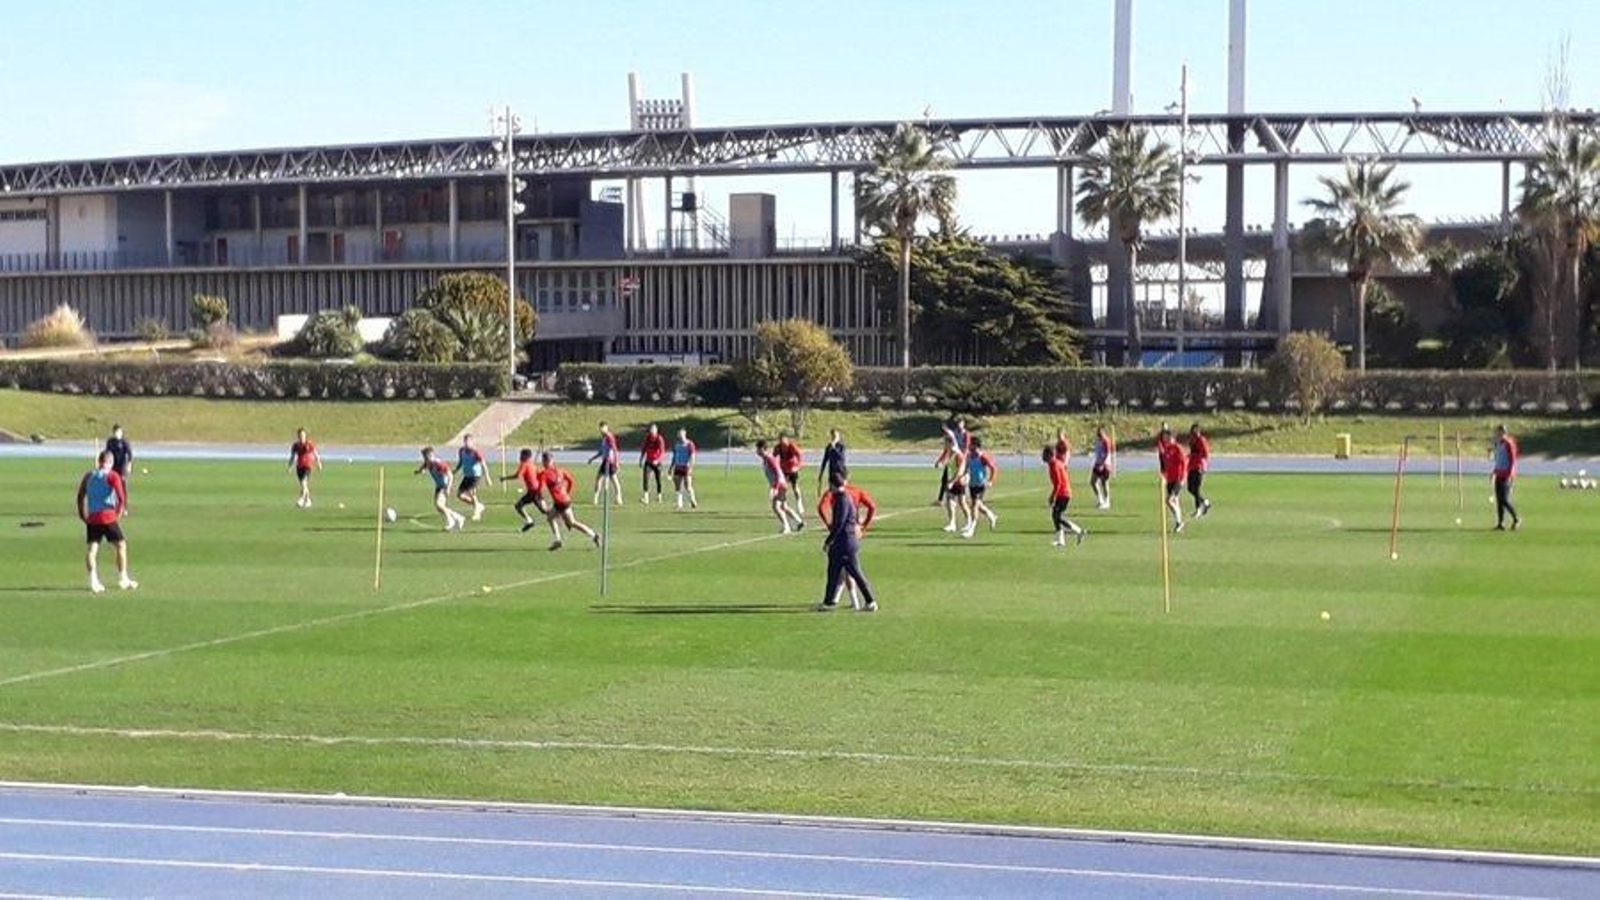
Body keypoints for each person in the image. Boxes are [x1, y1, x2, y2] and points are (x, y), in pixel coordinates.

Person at [817, 470, 879, 613]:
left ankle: (870, 601)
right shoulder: (844, 497)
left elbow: (839, 523)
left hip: (844, 542)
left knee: (854, 573)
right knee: (834, 572)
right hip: (845, 541)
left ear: (832, 485)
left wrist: (828, 541)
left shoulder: (842, 499)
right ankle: (829, 602)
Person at [77, 450, 137, 593]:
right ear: (110, 462)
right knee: (121, 546)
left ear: (99, 461)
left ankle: (93, 581)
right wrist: (118, 514)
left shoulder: (88, 476)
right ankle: (123, 578)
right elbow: (121, 498)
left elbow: (80, 496)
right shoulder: (112, 476)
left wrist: (82, 514)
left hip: (92, 518)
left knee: (92, 550)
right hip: (108, 517)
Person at [539, 451, 601, 550]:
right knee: (552, 518)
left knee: (570, 522)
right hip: (564, 500)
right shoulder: (560, 470)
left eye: (543, 461)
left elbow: (540, 489)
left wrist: (542, 501)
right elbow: (571, 481)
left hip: (560, 502)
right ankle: (559, 540)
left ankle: (593, 535)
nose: (543, 463)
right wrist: (567, 493)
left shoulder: (544, 474)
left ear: (545, 461)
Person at [1044, 445, 1087, 548]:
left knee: (1057, 517)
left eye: (1044, 454)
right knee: (1056, 516)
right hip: (1063, 493)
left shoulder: (1054, 464)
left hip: (1063, 494)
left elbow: (1058, 483)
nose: (1042, 457)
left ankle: (1079, 531)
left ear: (1049, 455)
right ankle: (1061, 540)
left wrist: (1052, 496)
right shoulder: (1054, 463)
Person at [756, 439, 803, 534]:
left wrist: (775, 488)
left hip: (780, 485)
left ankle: (786, 527)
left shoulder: (770, 459)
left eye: (758, 449)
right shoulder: (765, 460)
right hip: (779, 485)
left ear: (763, 449)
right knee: (784, 507)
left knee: (776, 507)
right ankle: (799, 522)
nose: (757, 451)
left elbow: (778, 473)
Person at [416, 446, 466, 532]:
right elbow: (424, 465)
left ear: (431, 455)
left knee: (439, 504)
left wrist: (448, 488)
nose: (424, 458)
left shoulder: (439, 464)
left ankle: (451, 521)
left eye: (425, 456)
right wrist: (420, 471)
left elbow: (450, 475)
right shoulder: (428, 462)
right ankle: (458, 517)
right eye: (424, 457)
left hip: (444, 485)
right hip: (439, 486)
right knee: (439, 508)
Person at [961, 435, 999, 539]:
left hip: (981, 485)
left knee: (974, 506)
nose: (969, 446)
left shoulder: (983, 457)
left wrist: (991, 481)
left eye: (971, 445)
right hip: (972, 484)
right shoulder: (969, 456)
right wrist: (964, 476)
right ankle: (992, 516)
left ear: (976, 446)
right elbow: (967, 468)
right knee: (978, 506)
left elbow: (994, 468)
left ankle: (971, 530)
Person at [1157, 427, 1188, 534]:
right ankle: (1179, 523)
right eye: (1164, 437)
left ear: (1172, 437)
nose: (1165, 439)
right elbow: (1166, 464)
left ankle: (1179, 522)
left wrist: (1183, 477)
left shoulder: (1177, 448)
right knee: (1175, 501)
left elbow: (1184, 462)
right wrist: (1164, 474)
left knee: (1169, 500)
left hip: (1178, 479)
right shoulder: (1167, 449)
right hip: (1170, 479)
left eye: (1167, 437)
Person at [456, 435, 492, 521]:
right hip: (467, 475)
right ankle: (478, 505)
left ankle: (477, 513)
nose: (466, 443)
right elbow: (461, 462)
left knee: (471, 492)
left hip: (475, 475)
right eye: (465, 441)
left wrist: (487, 477)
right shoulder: (461, 450)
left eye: (468, 442)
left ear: (472, 442)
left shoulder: (475, 452)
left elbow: (483, 464)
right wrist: (455, 470)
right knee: (460, 495)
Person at [1492, 424, 1521, 531]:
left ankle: (1516, 518)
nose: (1499, 434)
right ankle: (1501, 523)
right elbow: (1499, 460)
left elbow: (1513, 460)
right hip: (1499, 474)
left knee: (1504, 499)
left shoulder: (1509, 443)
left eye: (1501, 432)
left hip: (1506, 475)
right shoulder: (1498, 444)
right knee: (1499, 500)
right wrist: (1494, 472)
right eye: (1498, 432)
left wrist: (1510, 474)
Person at [939, 434, 970, 533]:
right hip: (952, 480)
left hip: (959, 481)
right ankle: (952, 523)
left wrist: (952, 481)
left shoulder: (958, 455)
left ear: (950, 443)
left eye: (945, 443)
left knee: (962, 503)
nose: (944, 445)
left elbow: (960, 470)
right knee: (950, 501)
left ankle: (969, 522)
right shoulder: (950, 453)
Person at [588, 422, 624, 506]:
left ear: (606, 428)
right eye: (600, 428)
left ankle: (618, 497)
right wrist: (593, 458)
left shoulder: (609, 437)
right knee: (599, 478)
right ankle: (596, 498)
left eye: (602, 428)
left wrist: (616, 462)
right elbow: (601, 451)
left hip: (610, 461)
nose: (601, 430)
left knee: (613, 480)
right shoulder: (604, 438)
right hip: (605, 461)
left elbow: (615, 449)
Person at [513, 448, 548, 532]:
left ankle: (561, 515)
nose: (519, 457)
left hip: (534, 491)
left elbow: (517, 476)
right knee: (518, 506)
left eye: (521, 455)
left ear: (525, 456)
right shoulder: (532, 464)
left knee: (544, 511)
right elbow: (538, 475)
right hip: (534, 491)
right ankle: (529, 521)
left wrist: (505, 478)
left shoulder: (524, 464)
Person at [775, 433, 805, 525]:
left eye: (783, 441)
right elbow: (774, 457)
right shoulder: (778, 447)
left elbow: (799, 456)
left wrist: (798, 466)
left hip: (792, 469)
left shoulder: (792, 446)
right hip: (784, 470)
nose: (782, 443)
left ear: (787, 440)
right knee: (784, 487)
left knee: (795, 486)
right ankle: (784, 502)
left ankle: (799, 502)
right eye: (780, 440)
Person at [288, 428, 322, 509]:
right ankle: (308, 500)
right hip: (299, 466)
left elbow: (316, 453)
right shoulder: (295, 445)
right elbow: (292, 457)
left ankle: (301, 499)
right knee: (304, 485)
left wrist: (319, 463)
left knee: (303, 482)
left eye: (303, 435)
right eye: (300, 435)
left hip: (308, 465)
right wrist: (289, 466)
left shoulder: (309, 444)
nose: (302, 437)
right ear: (298, 436)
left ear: (305, 435)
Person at [1186, 423, 1213, 518]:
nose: (1194, 433)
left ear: (1198, 431)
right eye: (1192, 432)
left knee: (1196, 488)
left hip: (1199, 467)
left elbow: (1205, 454)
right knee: (1190, 488)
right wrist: (1189, 456)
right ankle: (1205, 502)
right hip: (1191, 466)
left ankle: (1198, 509)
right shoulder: (1192, 441)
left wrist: (1196, 456)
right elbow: (1192, 452)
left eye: (1195, 431)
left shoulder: (1201, 440)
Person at [670, 428, 699, 510]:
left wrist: (690, 467)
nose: (680, 436)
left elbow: (692, 457)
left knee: (688, 486)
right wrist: (671, 467)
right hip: (678, 466)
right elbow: (674, 457)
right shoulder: (676, 445)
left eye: (681, 435)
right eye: (679, 435)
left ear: (685, 435)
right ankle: (679, 505)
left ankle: (693, 500)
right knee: (677, 487)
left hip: (685, 467)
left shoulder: (690, 444)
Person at [639, 423, 667, 505]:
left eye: (653, 430)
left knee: (658, 479)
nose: (651, 431)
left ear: (656, 430)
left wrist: (658, 460)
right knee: (645, 478)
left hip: (657, 463)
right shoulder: (648, 438)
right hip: (648, 461)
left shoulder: (659, 439)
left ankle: (659, 496)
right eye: (650, 429)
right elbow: (644, 448)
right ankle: (646, 498)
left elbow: (662, 451)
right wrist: (641, 459)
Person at [1090, 425, 1115, 511]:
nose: (1098, 434)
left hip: (1105, 465)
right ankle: (1100, 499)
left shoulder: (1106, 441)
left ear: (1103, 432)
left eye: (1100, 432)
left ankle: (1107, 502)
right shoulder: (1098, 441)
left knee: (1104, 483)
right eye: (1098, 432)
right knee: (1093, 481)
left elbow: (1107, 453)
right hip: (1097, 463)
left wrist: (1103, 464)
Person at [817, 428, 848, 495]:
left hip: (841, 472)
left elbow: (841, 457)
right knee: (832, 493)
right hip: (832, 472)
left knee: (841, 492)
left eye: (835, 436)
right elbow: (824, 461)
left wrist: (834, 448)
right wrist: (821, 474)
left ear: (838, 436)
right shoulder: (829, 447)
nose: (834, 437)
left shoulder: (841, 446)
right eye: (833, 436)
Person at [105, 425, 134, 494]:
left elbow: (129, 454)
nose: (117, 433)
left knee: (122, 482)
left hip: (122, 466)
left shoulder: (124, 442)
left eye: (118, 431)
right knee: (111, 482)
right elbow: (107, 453)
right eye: (115, 432)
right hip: (112, 465)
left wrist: (129, 466)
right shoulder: (110, 442)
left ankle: (124, 501)